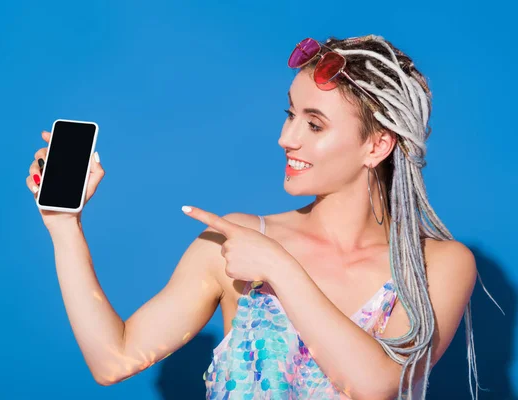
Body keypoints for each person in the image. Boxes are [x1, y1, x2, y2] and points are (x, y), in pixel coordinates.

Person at [25, 34, 493, 399]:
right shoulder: (233, 240)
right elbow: (114, 360)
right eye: (290, 115)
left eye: (314, 124)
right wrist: (64, 227)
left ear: (376, 145)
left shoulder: (438, 264)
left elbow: (375, 386)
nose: (286, 138)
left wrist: (279, 267)